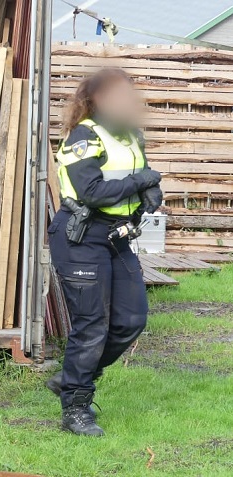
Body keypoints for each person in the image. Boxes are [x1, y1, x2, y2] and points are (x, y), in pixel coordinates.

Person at [47, 68, 163, 436]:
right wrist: (145, 179)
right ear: (94, 99)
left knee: (132, 320)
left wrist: (149, 194)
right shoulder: (83, 136)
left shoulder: (129, 134)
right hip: (81, 237)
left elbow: (139, 174)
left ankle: (72, 378)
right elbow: (93, 192)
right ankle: (76, 409)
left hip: (117, 237)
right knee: (91, 325)